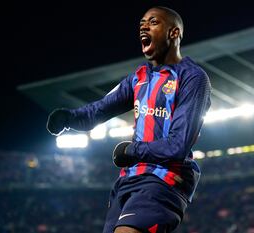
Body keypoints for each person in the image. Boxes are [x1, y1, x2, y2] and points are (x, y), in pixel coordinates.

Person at [46, 6, 211, 233]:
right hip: (128, 180)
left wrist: (131, 151)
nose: (143, 26)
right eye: (142, 23)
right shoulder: (139, 77)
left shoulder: (192, 78)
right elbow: (99, 110)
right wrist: (68, 118)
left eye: (153, 22)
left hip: (164, 179)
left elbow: (178, 144)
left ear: (174, 33)